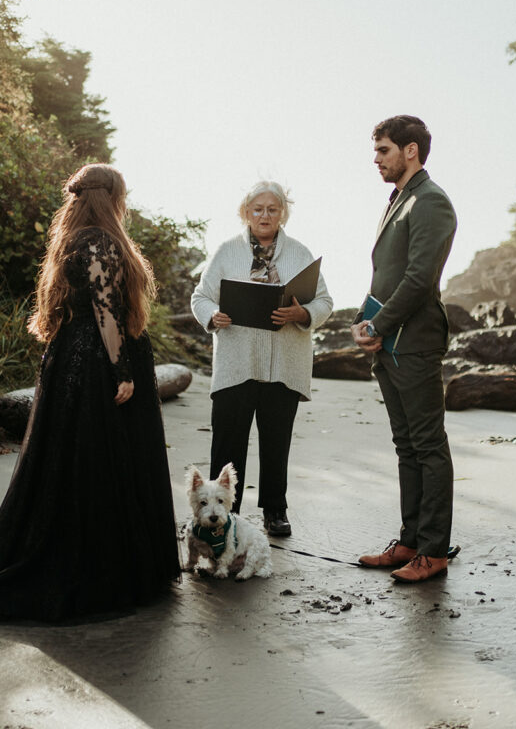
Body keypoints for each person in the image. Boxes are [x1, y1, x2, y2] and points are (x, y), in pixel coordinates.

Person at [0, 164, 180, 621]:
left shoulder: (73, 238)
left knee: (69, 462)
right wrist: (122, 371)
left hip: (70, 359)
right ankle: (103, 568)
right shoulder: (101, 240)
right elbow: (106, 312)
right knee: (99, 461)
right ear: (112, 197)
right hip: (97, 361)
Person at [191, 181, 333, 537]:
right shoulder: (226, 251)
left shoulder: (300, 253)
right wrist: (212, 316)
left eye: (272, 209)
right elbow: (200, 296)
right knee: (227, 445)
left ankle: (275, 510)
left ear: (282, 213)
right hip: (236, 364)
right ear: (245, 213)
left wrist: (302, 315)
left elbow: (325, 302)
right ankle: (222, 514)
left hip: (284, 366)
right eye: (258, 209)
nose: (265, 215)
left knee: (276, 442)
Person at [352, 116, 457, 583]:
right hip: (389, 343)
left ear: (410, 151)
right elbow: (386, 274)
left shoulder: (432, 202)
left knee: (429, 447)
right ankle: (410, 540)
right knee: (406, 446)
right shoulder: (400, 199)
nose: (376, 159)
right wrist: (363, 318)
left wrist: (380, 322)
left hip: (414, 344)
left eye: (384, 150)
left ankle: (434, 551)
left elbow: (419, 280)